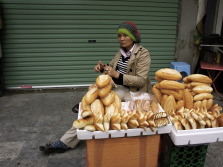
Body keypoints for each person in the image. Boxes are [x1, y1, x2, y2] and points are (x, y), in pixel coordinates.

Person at [39, 21, 152, 153]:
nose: (121, 39)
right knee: (94, 93)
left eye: (125, 35)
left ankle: (66, 139)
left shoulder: (143, 54)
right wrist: (103, 68)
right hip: (118, 87)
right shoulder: (121, 52)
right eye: (119, 36)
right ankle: (84, 108)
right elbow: (111, 67)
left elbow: (140, 80)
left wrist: (116, 74)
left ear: (133, 37)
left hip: (132, 92)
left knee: (97, 109)